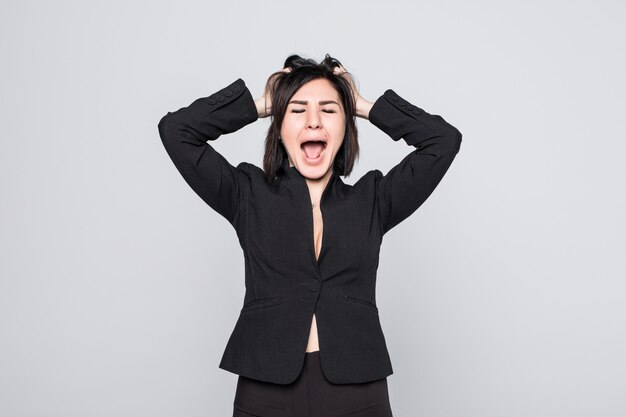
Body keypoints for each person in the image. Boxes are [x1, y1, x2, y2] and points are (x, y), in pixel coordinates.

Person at [158, 54, 462, 417]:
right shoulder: (247, 194)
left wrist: (362, 104)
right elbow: (176, 130)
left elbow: (443, 141)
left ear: (346, 127)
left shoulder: (374, 199)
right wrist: (262, 103)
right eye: (298, 111)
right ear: (279, 127)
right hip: (265, 389)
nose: (314, 121)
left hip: (358, 390)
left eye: (329, 111)